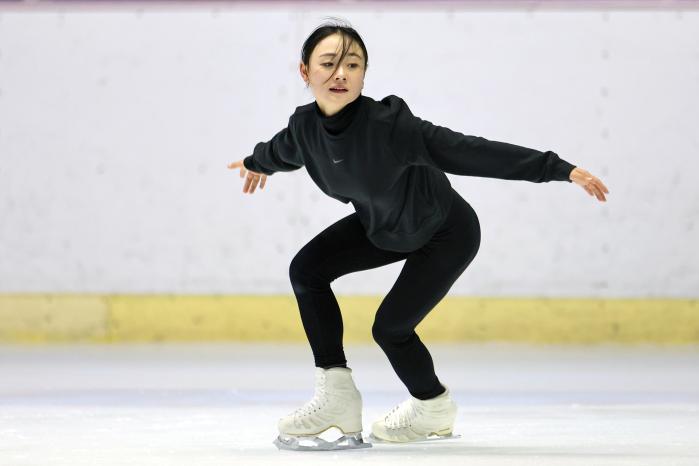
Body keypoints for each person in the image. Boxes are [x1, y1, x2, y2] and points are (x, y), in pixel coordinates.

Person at [227, 20, 609, 451]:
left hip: (445, 232)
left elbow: (470, 151)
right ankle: (335, 395)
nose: (340, 74)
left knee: (390, 328)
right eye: (329, 63)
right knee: (307, 270)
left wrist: (558, 169)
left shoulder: (390, 126)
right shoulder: (305, 128)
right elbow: (281, 151)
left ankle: (432, 408)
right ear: (305, 72)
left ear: (364, 75)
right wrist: (255, 162)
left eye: (352, 64)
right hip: (384, 227)